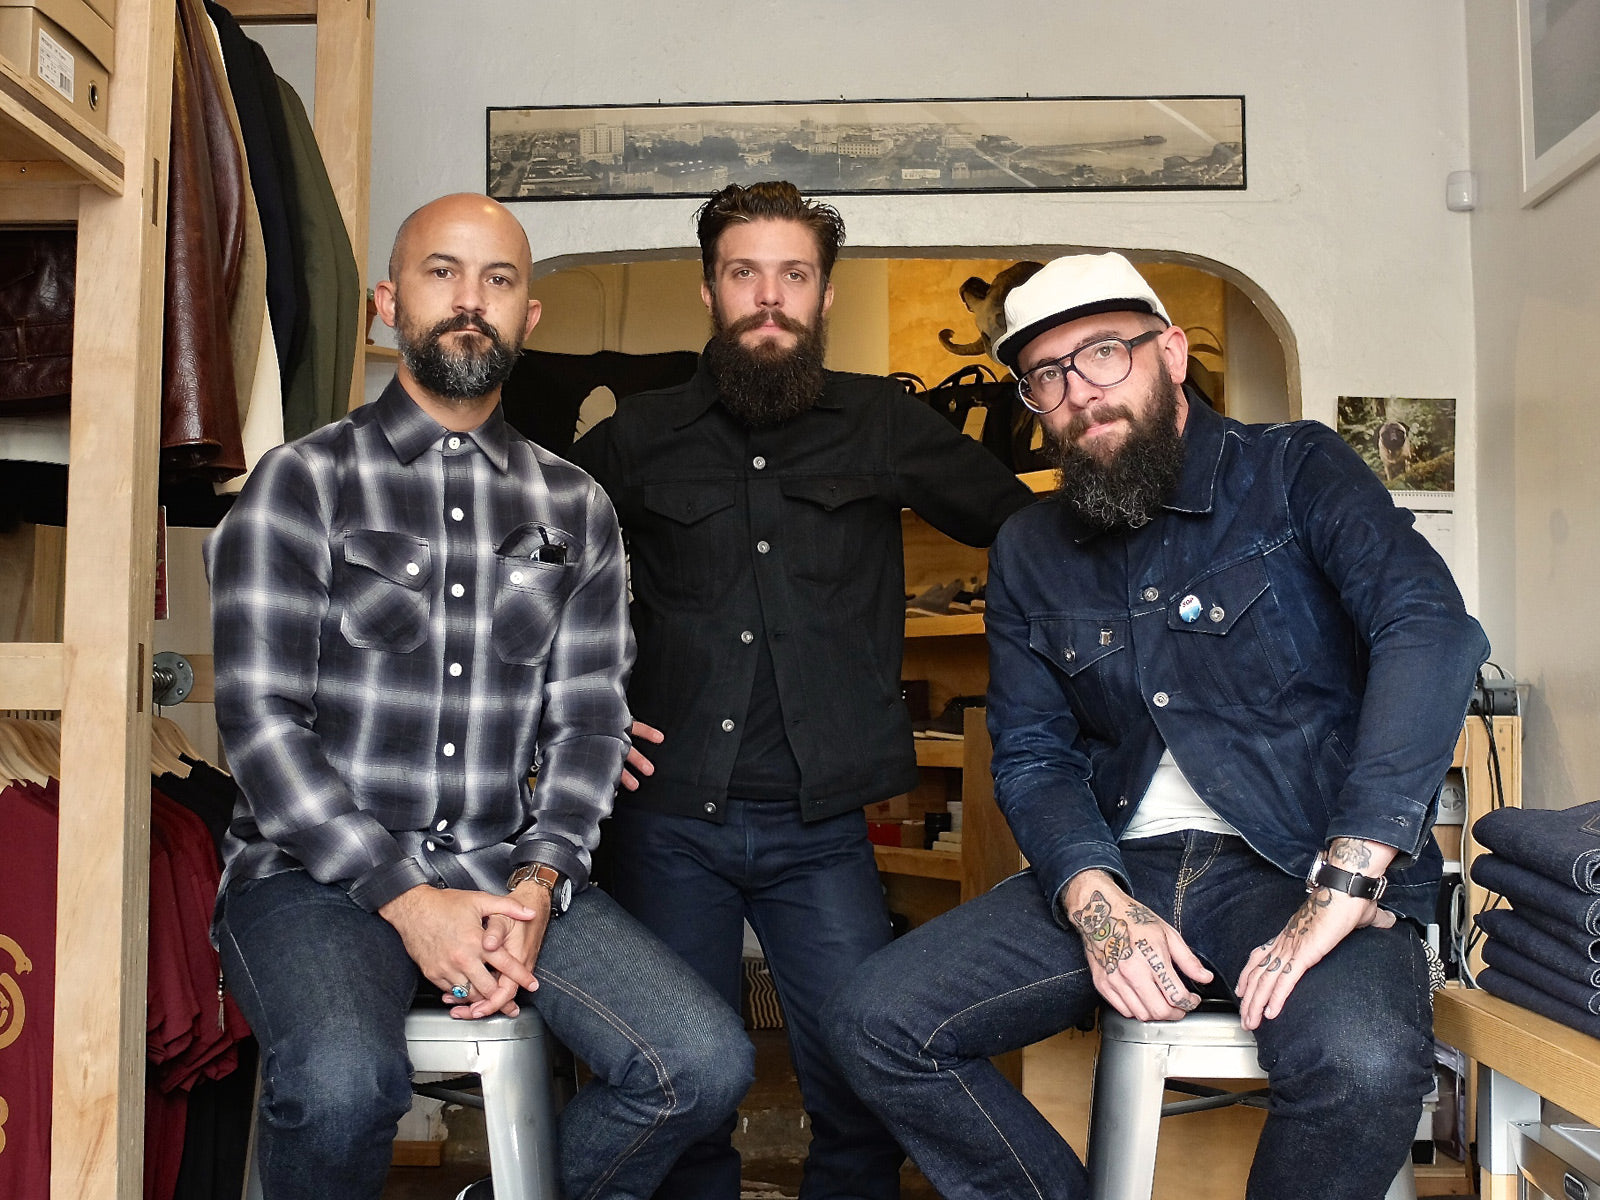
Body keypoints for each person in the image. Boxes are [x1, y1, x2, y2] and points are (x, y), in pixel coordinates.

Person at [826, 252, 1491, 1200]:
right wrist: (1096, 901)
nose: (1079, 394)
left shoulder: (1296, 469)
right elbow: (1032, 751)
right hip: (1123, 864)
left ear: (1172, 353)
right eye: (1045, 376)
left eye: (1104, 354)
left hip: (1296, 861)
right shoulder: (1030, 548)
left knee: (1367, 1065)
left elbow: (1429, 630)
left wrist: (1351, 874)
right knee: (873, 1023)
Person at [205, 193, 752, 1200]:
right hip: (316, 876)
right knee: (342, 1086)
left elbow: (588, 716)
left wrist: (541, 883)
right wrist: (410, 902)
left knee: (700, 1064)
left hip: (506, 867)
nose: (470, 299)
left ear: (528, 320)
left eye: (498, 281)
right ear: (386, 302)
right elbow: (260, 724)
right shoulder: (300, 482)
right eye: (442, 272)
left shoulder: (573, 505)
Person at [569, 181, 1034, 1200]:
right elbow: (537, 580)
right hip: (666, 819)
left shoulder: (881, 421)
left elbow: (1020, 527)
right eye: (745, 273)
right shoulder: (634, 440)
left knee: (862, 1089)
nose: (768, 296)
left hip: (825, 826)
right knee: (685, 1094)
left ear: (823, 296)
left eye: (793, 275)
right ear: (708, 291)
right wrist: (578, 715)